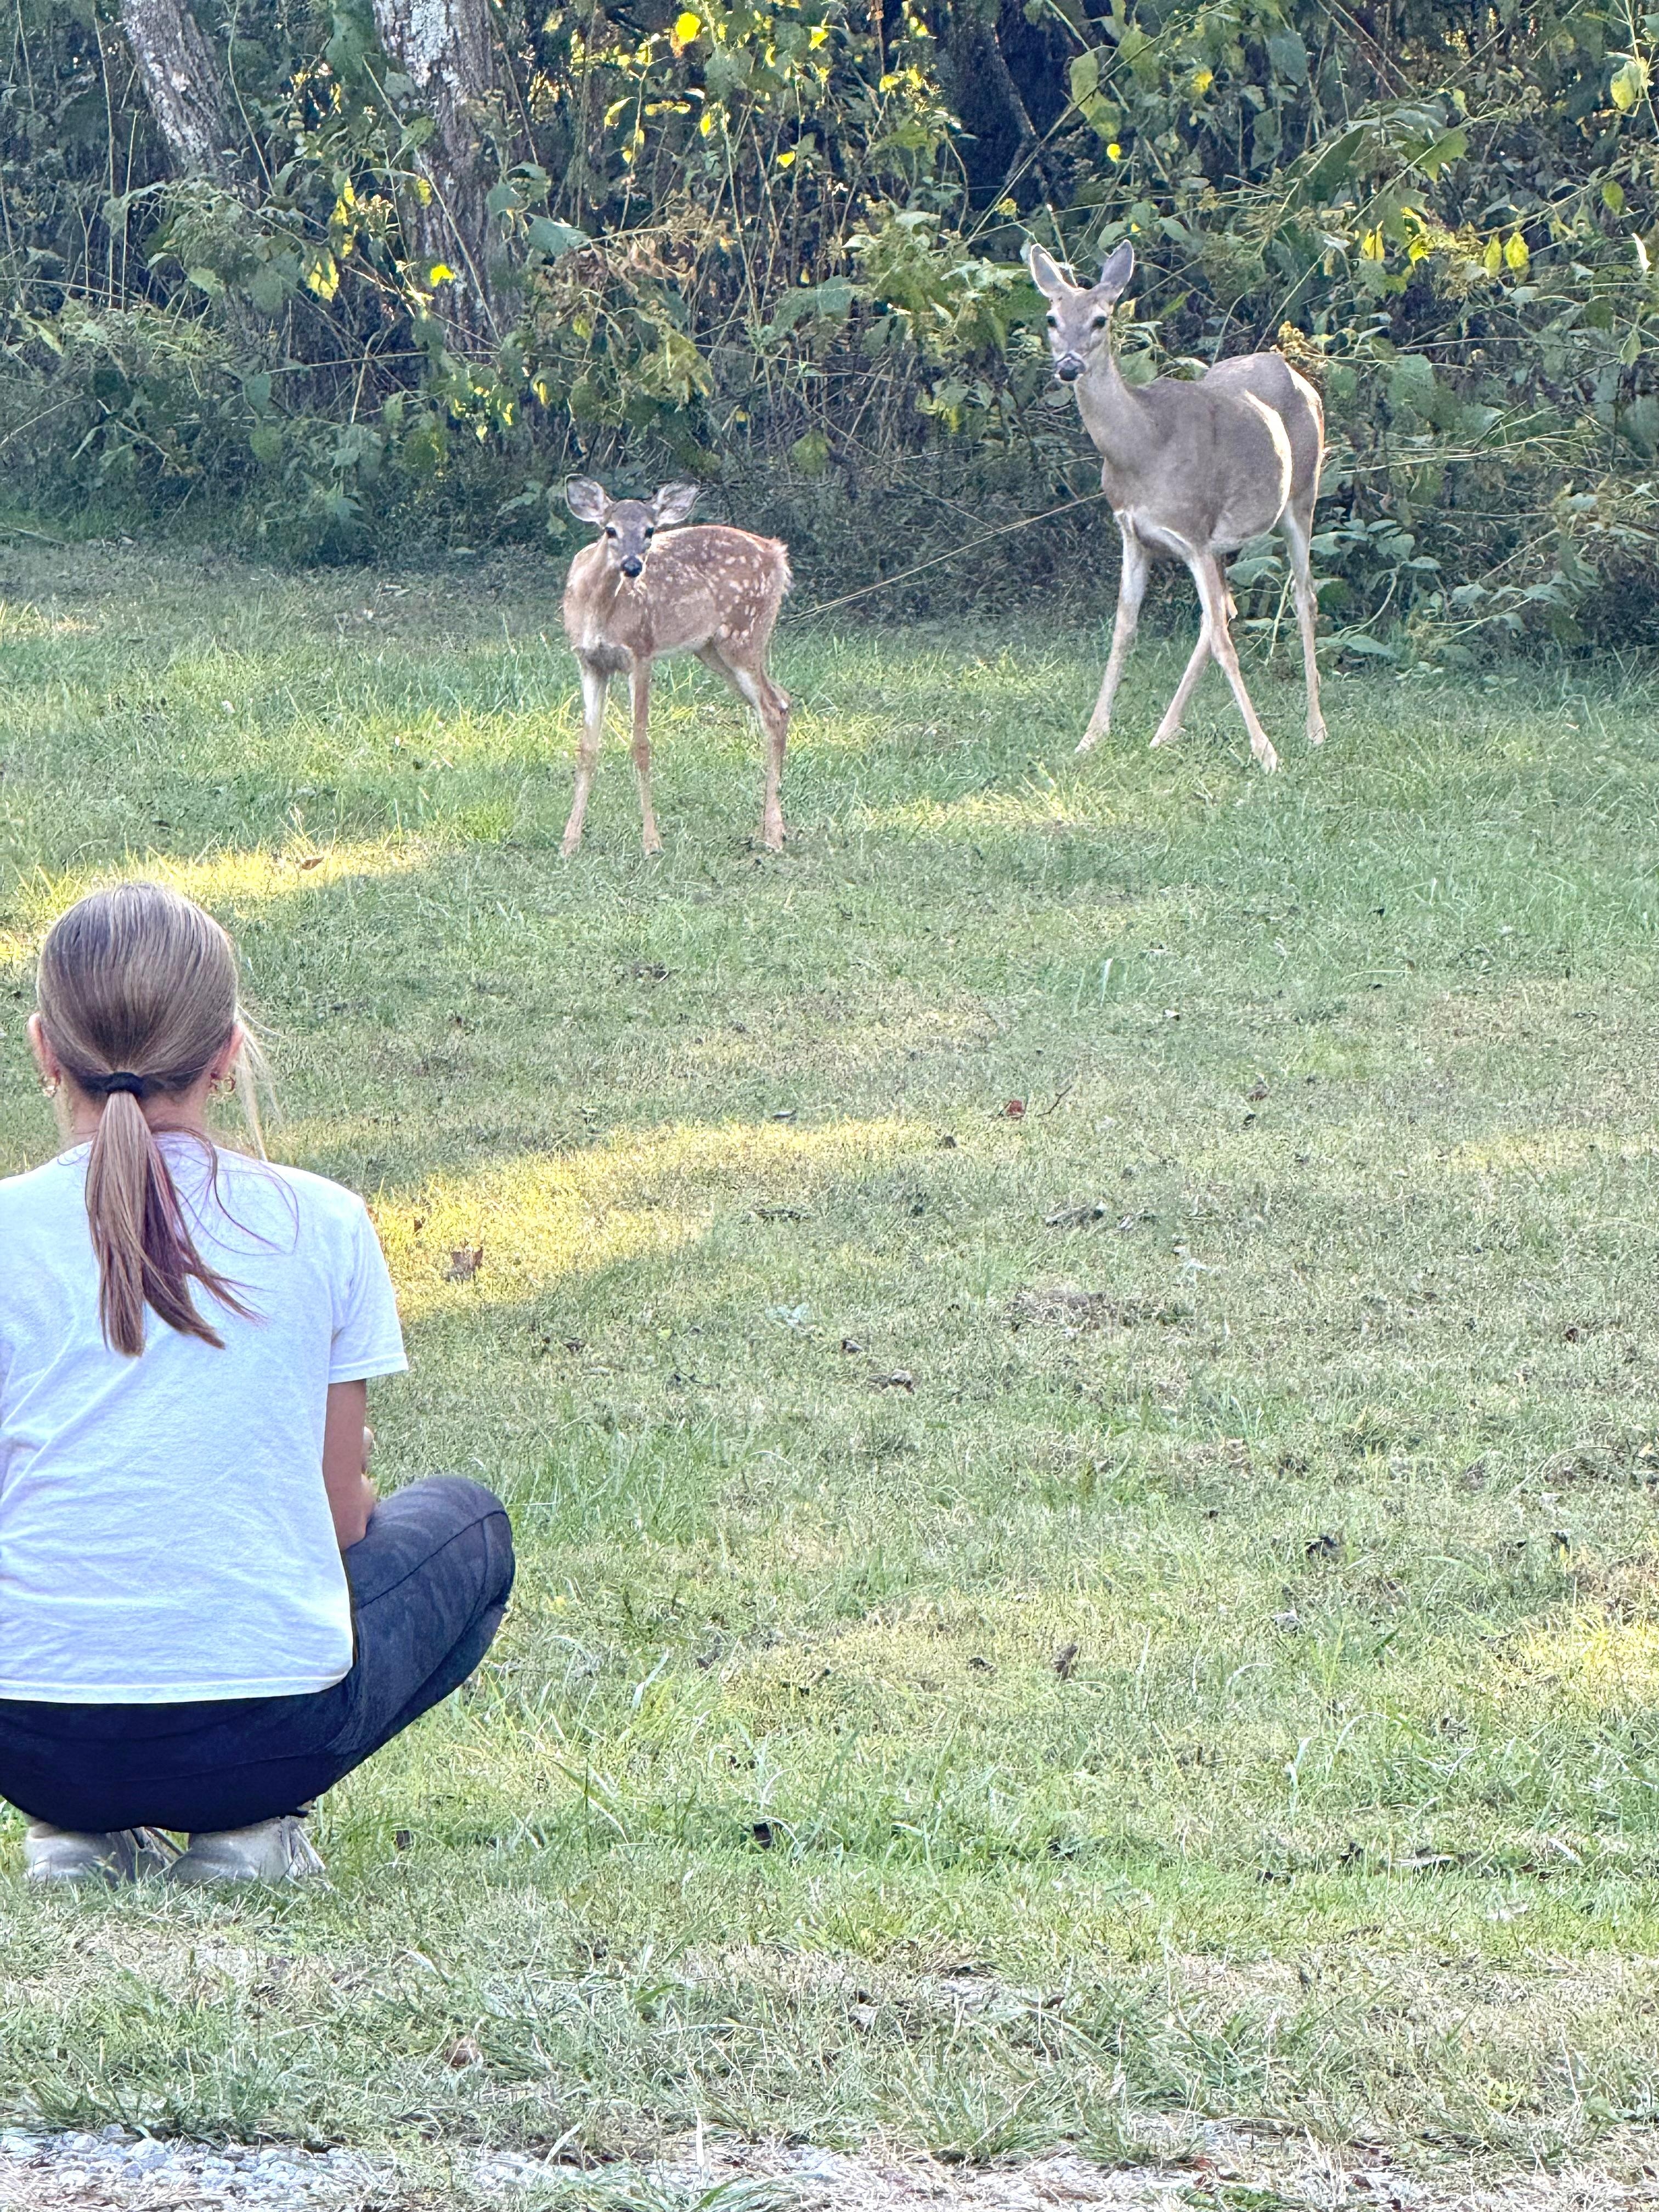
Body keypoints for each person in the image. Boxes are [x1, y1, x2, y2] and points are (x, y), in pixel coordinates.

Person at [0, 882, 514, 1883]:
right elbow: (343, 1518)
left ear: (43, 1050)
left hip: (28, 1742)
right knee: (471, 1524)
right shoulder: (324, 1222)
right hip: (263, 1736)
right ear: (229, 1054)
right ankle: (249, 1831)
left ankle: (74, 1835)